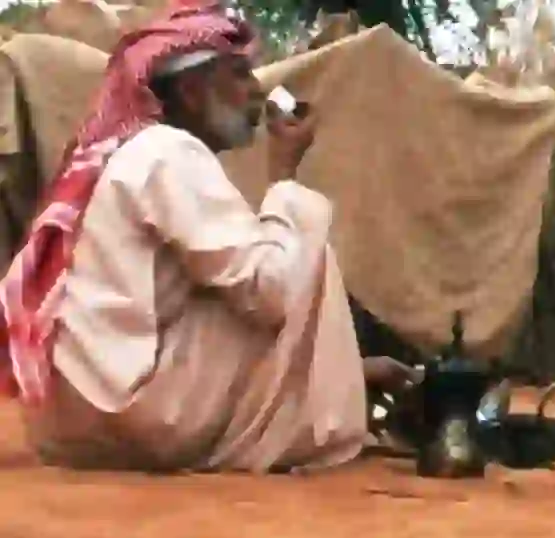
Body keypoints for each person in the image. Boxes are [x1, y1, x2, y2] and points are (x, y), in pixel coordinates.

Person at [0, 0, 376, 472]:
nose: (257, 91)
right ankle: (325, 419)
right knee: (304, 251)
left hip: (73, 423)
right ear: (194, 91)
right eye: (239, 75)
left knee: (266, 253)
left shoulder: (124, 153)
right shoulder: (167, 151)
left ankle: (339, 389)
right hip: (135, 415)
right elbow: (270, 288)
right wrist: (284, 174)